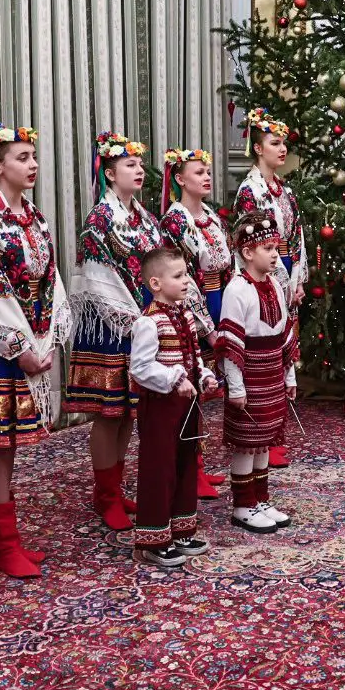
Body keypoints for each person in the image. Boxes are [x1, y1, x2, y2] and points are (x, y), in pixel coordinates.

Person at [0, 121, 70, 577]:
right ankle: (3, 545)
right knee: (1, 443)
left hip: (33, 336)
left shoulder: (35, 217)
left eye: (33, 157)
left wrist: (48, 337)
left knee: (12, 445)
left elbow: (50, 279)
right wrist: (19, 345)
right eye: (22, 158)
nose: (33, 164)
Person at [67, 132, 162, 532]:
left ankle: (115, 488)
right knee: (109, 414)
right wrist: (134, 320)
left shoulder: (145, 218)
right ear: (109, 173)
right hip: (111, 325)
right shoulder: (99, 220)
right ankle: (105, 495)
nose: (139, 170)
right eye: (129, 165)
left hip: (141, 321)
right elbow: (97, 278)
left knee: (128, 413)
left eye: (140, 164)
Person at [127, 247, 220, 568]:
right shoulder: (148, 322)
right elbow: (140, 368)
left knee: (185, 464)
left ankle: (181, 531)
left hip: (187, 404)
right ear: (155, 283)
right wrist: (174, 378)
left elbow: (193, 356)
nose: (187, 281)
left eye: (186, 274)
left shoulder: (186, 316)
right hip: (160, 407)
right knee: (159, 469)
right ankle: (154, 539)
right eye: (178, 276)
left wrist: (203, 376)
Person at [158, 147, 234, 500]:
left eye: (207, 171)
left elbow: (226, 264)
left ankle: (198, 465)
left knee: (205, 388)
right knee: (190, 386)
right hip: (192, 305)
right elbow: (183, 279)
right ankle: (189, 469)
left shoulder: (211, 217)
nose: (206, 177)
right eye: (198, 172)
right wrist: (208, 327)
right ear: (179, 179)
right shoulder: (175, 221)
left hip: (219, 299)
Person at [216, 213, 299, 533]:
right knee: (247, 443)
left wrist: (289, 376)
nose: (275, 254)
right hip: (249, 374)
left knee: (264, 441)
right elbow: (231, 342)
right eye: (268, 248)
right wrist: (236, 388)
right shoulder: (236, 289)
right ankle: (243, 505)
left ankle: (261, 499)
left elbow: (284, 334)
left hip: (272, 373)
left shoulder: (275, 284)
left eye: (276, 247)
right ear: (248, 253)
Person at [233, 108, 307, 466]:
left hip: (287, 268)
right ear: (258, 148)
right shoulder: (250, 191)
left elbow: (297, 236)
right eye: (274, 143)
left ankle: (277, 430)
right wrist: (275, 282)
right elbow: (251, 245)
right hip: (267, 272)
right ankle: (262, 432)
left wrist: (297, 279)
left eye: (283, 143)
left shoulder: (285, 190)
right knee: (265, 351)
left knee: (283, 349)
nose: (282, 149)